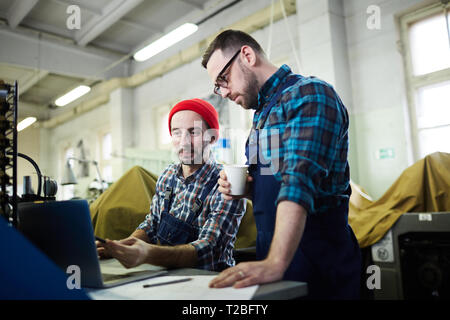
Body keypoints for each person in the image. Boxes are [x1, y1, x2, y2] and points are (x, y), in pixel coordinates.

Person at [201, 30, 361, 299]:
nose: (225, 92)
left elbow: (299, 183)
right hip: (274, 255)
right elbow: (273, 188)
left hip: (318, 261)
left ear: (247, 56)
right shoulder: (261, 117)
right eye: (218, 86)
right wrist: (247, 191)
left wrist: (276, 262)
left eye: (224, 79)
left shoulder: (311, 95)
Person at [97, 98, 246, 271]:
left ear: (212, 138)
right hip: (168, 275)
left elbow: (209, 249)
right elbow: (152, 224)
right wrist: (121, 247)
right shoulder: (168, 176)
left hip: (211, 282)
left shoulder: (226, 185)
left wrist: (148, 254)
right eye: (177, 132)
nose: (184, 143)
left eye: (194, 132)